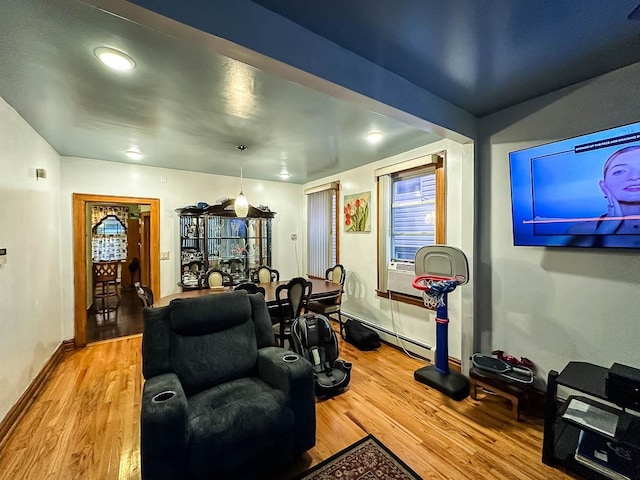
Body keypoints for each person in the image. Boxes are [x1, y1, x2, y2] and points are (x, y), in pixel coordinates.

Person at [566, 145, 640, 246]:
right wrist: (603, 233)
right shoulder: (579, 231)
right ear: (603, 186)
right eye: (620, 171)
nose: (635, 177)